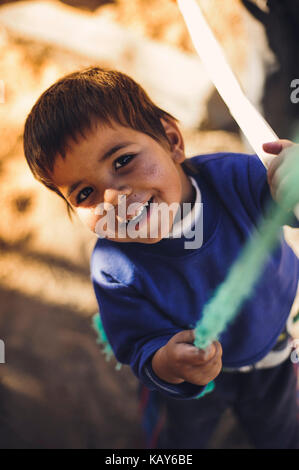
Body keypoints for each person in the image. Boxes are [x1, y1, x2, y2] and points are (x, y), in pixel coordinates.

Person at [23, 66, 299, 449]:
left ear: (172, 140)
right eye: (85, 193)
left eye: (122, 161)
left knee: (281, 434)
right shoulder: (114, 269)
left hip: (275, 348)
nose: (114, 198)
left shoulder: (238, 179)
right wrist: (164, 363)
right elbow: (137, 343)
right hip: (190, 386)